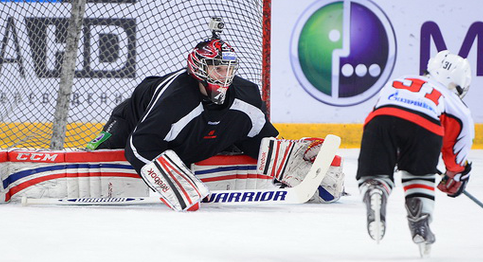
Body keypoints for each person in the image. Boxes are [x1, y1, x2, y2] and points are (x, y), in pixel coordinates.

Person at [87, 20, 344, 211]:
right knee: (104, 150)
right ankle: (99, 146)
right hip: (132, 120)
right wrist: (174, 181)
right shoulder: (175, 99)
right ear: (198, 67)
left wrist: (294, 165)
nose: (225, 76)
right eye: (218, 69)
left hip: (191, 138)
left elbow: (260, 140)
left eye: (229, 69)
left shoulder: (246, 96)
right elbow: (140, 144)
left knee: (232, 138)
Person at [356, 50, 473, 256]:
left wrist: (395, 151)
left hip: (381, 120)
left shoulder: (401, 80)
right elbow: (456, 146)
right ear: (458, 83)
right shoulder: (455, 102)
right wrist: (456, 174)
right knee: (419, 175)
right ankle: (420, 222)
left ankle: (376, 190)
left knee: (375, 174)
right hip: (426, 126)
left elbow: (381, 110)